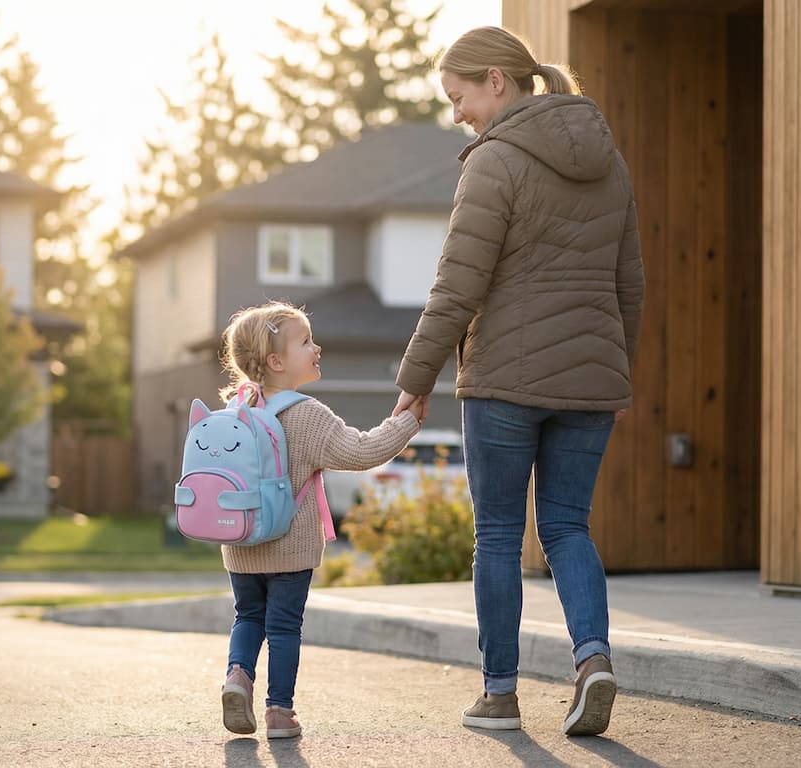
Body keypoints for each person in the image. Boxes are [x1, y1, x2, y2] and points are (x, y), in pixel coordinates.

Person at [392, 26, 644, 737]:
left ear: (497, 81)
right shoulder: (610, 161)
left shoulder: (495, 161)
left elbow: (457, 285)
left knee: (499, 533)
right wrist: (616, 373)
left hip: (504, 378)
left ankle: (500, 695)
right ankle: (592, 661)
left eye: (459, 96)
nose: (456, 114)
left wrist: (417, 377)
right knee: (567, 527)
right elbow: (631, 283)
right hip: (591, 379)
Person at [216, 301, 423, 739]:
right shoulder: (307, 415)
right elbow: (363, 451)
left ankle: (238, 675)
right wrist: (406, 423)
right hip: (291, 546)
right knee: (285, 626)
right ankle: (279, 713)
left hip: (240, 542)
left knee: (248, 617)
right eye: (305, 342)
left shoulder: (236, 411)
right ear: (276, 362)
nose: (317, 347)